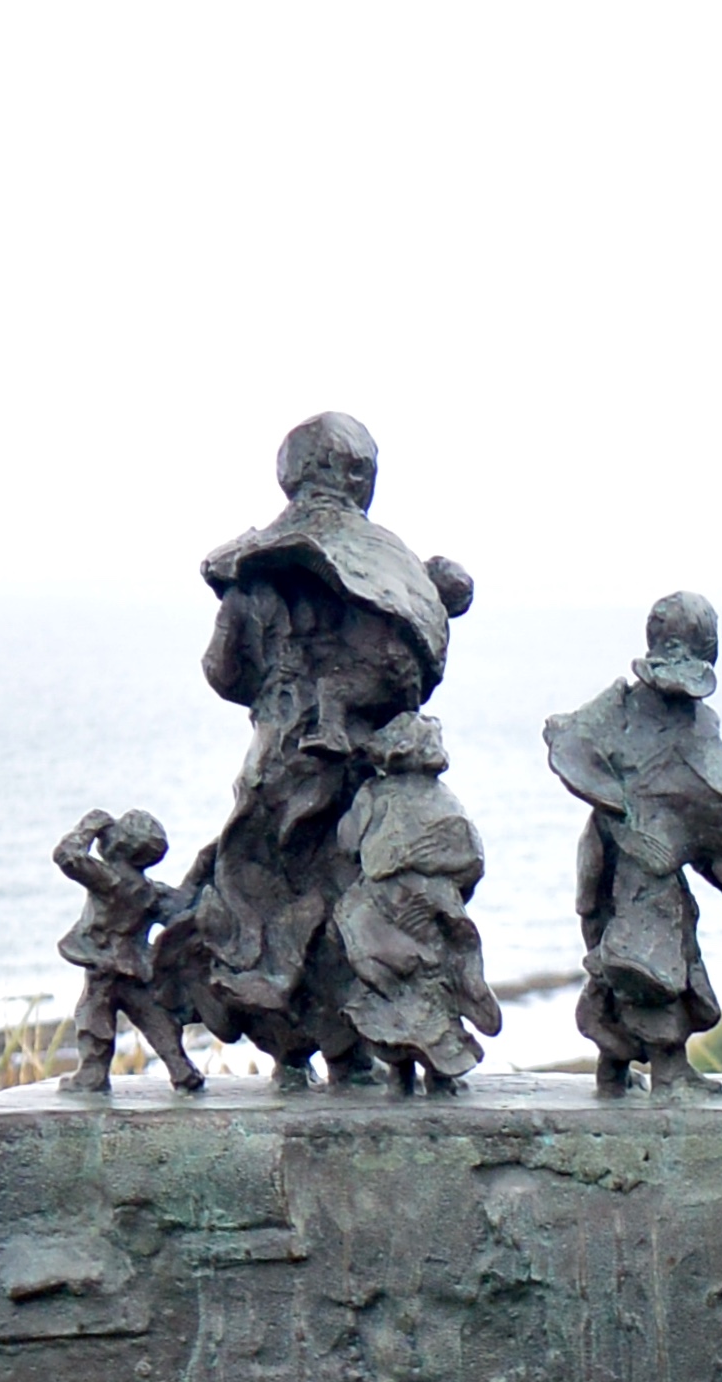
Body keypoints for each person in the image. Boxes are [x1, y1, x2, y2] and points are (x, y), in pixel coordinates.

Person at [166, 413, 471, 1084]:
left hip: (277, 760)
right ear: (363, 479)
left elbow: (224, 673)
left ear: (288, 475)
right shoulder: (391, 566)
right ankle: (348, 1049)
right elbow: (411, 677)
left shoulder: (253, 573)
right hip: (364, 771)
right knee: (351, 894)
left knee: (261, 898)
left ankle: (294, 1051)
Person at [545, 596, 722, 1096]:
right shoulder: (677, 722)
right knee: (654, 961)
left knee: (616, 955)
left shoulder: (621, 708)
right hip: (641, 863)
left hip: (613, 850)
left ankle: (613, 1069)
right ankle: (669, 1072)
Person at [330, 717, 500, 1093]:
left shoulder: (374, 794)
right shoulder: (440, 797)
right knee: (424, 983)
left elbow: (348, 842)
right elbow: (472, 861)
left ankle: (409, 1075)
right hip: (408, 908)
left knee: (405, 987)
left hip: (395, 906)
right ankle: (433, 1075)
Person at [52, 811, 203, 1093]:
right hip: (135, 965)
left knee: (93, 1013)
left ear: (121, 843)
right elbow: (182, 911)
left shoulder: (109, 880)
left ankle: (92, 1075)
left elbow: (67, 856)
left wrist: (90, 825)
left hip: (104, 961)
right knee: (151, 1015)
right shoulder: (150, 892)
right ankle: (181, 1069)